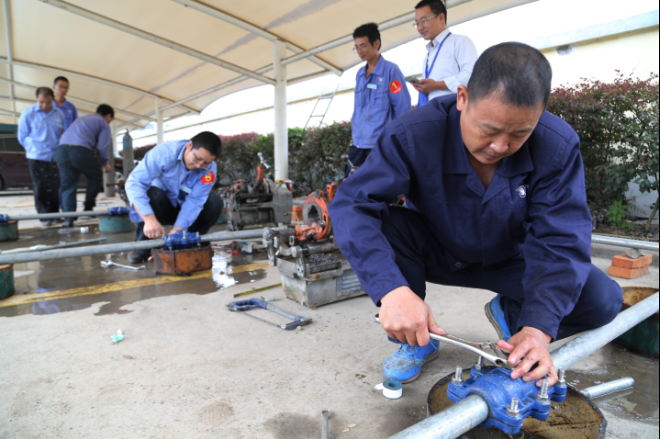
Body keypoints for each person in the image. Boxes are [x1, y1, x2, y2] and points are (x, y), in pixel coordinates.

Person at [329, 42, 623, 386]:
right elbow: (353, 204)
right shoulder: (412, 134)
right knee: (387, 225)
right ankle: (416, 337)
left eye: (519, 134)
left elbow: (561, 237)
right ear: (462, 97)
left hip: (512, 257)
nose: (500, 146)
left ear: (540, 114)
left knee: (602, 299)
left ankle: (513, 316)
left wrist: (538, 328)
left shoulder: (557, 145)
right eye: (489, 129)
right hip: (437, 251)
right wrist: (391, 289)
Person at [125, 132, 224, 264]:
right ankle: (141, 248)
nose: (199, 166)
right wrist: (149, 219)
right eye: (197, 158)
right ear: (189, 145)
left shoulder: (209, 170)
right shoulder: (164, 153)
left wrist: (179, 229)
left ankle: (191, 242)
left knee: (214, 201)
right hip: (159, 207)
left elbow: (195, 201)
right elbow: (135, 183)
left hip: (184, 209)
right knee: (153, 193)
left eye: (205, 163)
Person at [347, 22, 411, 178]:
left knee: (377, 188)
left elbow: (402, 108)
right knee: (348, 185)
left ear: (376, 43)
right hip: (358, 144)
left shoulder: (391, 70)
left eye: (363, 46)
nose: (359, 51)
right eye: (356, 47)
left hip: (380, 145)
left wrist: (397, 143)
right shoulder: (360, 74)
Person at [55, 104, 114, 227]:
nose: (109, 122)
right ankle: (88, 209)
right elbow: (102, 147)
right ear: (108, 116)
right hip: (80, 150)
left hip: (61, 150)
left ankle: (68, 218)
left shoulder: (82, 119)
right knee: (95, 177)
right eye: (110, 120)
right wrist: (105, 163)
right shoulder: (103, 123)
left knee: (68, 185)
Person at [411, 0, 477, 106]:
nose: (420, 27)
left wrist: (436, 85)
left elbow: (472, 76)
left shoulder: (460, 42)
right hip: (433, 110)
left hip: (455, 109)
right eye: (417, 23)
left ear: (441, 18)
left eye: (424, 21)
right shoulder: (427, 56)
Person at [17, 87, 65, 226]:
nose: (45, 105)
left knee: (55, 185)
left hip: (54, 156)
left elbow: (61, 134)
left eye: (48, 102)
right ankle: (44, 217)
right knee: (40, 186)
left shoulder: (59, 114)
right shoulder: (28, 113)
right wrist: (33, 149)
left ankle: (55, 214)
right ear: (37, 99)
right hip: (36, 156)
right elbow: (22, 136)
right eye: (41, 102)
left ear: (53, 99)